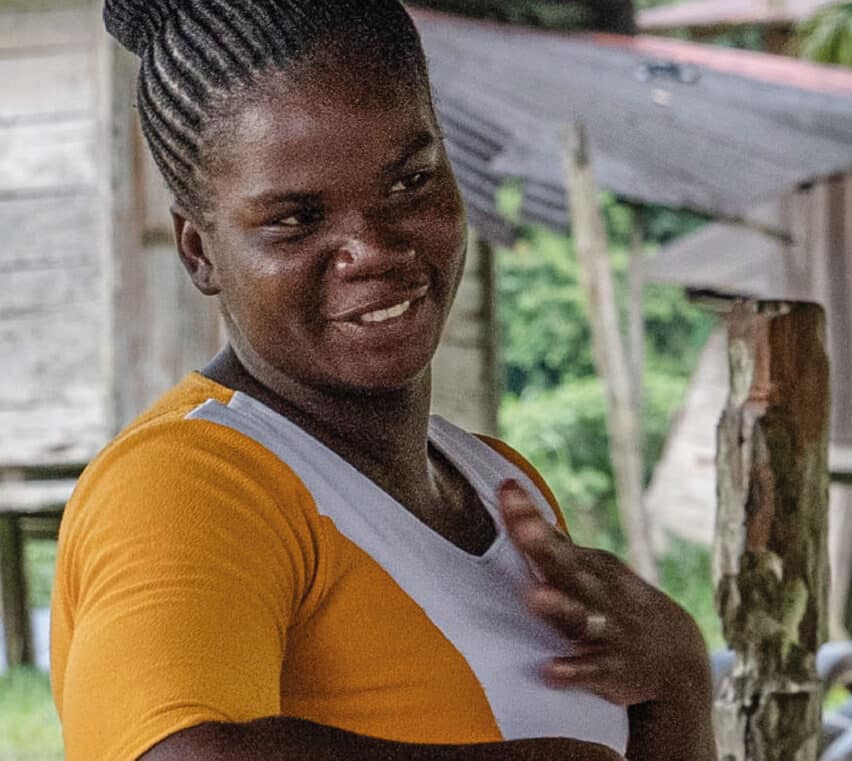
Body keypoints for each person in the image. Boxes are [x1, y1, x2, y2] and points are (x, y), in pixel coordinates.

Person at [51, 3, 712, 760]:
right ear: (199, 250)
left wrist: (680, 679)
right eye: (296, 219)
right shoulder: (188, 482)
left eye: (409, 182)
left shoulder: (502, 484)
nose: (373, 247)